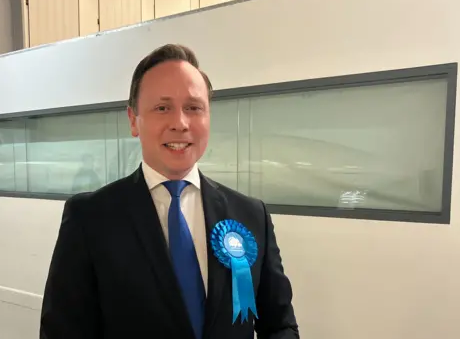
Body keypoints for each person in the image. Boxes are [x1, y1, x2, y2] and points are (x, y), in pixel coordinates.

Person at [40, 44, 300, 339]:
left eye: (193, 107)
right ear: (133, 120)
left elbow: (280, 326)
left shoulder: (251, 216)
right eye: (162, 108)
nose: (180, 123)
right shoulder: (90, 219)